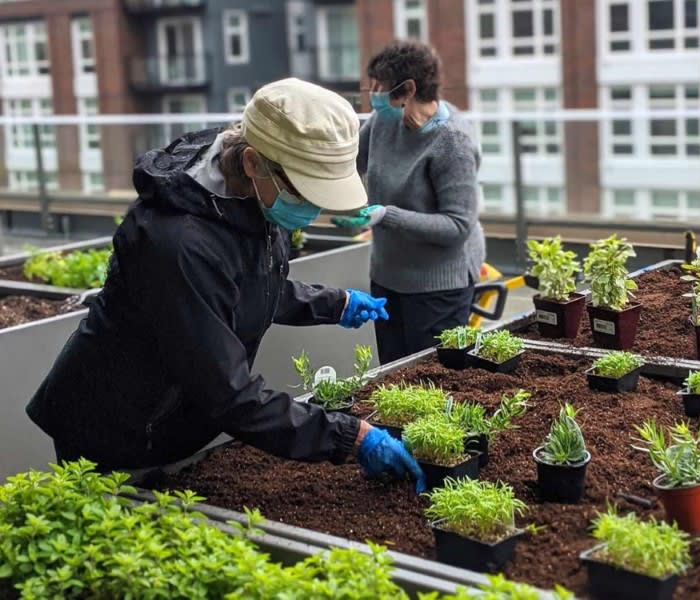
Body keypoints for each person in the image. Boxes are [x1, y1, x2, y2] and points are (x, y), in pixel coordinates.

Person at [26, 78, 425, 492]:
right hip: (119, 427)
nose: (313, 208)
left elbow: (244, 287)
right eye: (304, 192)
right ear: (252, 163)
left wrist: (333, 304)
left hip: (174, 411)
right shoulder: (176, 244)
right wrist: (351, 437)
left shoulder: (249, 196)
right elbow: (228, 393)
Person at [333, 41, 485, 365]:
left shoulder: (452, 141)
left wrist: (386, 215)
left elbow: (457, 226)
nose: (372, 94)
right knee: (393, 376)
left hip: (438, 286)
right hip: (388, 275)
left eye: (379, 86)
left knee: (432, 381)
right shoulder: (383, 120)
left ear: (408, 90)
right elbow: (348, 162)